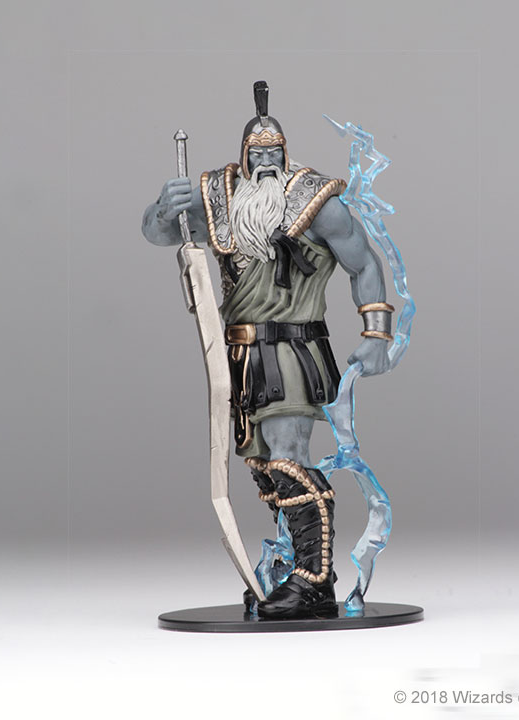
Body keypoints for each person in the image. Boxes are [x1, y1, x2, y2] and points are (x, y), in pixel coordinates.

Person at [142, 81, 393, 619]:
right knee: (264, 467)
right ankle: (295, 567)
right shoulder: (221, 198)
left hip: (293, 352)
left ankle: (313, 581)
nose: (264, 161)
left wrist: (376, 336)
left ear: (285, 150)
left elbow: (364, 263)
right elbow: (160, 234)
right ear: (243, 154)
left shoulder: (317, 201)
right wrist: (165, 209)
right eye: (255, 153)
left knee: (287, 457)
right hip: (241, 357)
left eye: (272, 152)